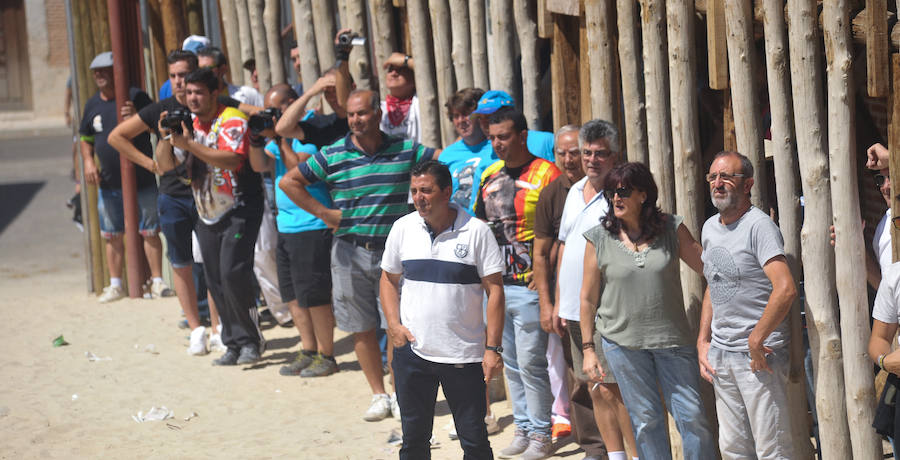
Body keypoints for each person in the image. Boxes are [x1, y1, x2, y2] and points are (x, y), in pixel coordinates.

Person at [279, 89, 438, 421]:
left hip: (395, 257)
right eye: (351, 115)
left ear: (377, 113)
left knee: (398, 327)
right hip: (349, 253)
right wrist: (323, 212)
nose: (355, 120)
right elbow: (289, 182)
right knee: (361, 328)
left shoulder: (405, 150)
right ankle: (378, 395)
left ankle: (399, 393)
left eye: (362, 113)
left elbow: (440, 162)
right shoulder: (332, 154)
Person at [108, 49, 249, 355]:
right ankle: (195, 327)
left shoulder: (213, 104)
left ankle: (218, 327)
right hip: (173, 195)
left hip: (210, 197)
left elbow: (249, 111)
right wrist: (151, 162)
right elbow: (117, 137)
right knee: (181, 264)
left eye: (184, 75)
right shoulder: (163, 109)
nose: (179, 83)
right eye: (172, 76)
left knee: (212, 265)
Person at [581, 161, 714, 459]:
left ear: (643, 194)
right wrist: (589, 348)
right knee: (645, 422)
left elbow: (711, 270)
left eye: (623, 191)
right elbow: (588, 299)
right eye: (610, 193)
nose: (615, 198)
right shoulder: (598, 238)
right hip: (621, 345)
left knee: (693, 419)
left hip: (673, 342)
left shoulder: (672, 228)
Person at [380, 160, 504, 460]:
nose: (418, 198)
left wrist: (493, 348)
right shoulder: (403, 228)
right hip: (413, 353)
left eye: (426, 190)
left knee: (474, 440)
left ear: (447, 191)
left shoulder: (476, 232)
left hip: (463, 355)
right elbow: (387, 278)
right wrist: (394, 326)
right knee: (414, 441)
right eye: (414, 191)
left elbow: (495, 290)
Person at [156, 67, 265, 366]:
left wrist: (190, 144)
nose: (192, 98)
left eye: (198, 92)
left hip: (240, 206)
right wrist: (167, 137)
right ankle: (232, 342)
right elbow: (164, 166)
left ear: (214, 93)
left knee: (233, 273)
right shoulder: (187, 125)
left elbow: (232, 159)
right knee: (215, 279)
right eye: (188, 93)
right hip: (205, 212)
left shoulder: (231, 119)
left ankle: (251, 340)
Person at [697, 151, 797, 459]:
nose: (718, 183)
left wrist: (756, 339)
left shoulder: (759, 226)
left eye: (727, 176)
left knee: (772, 450)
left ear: (748, 184)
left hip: (759, 359)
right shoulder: (710, 227)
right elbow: (715, 284)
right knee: (733, 450)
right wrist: (703, 340)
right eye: (713, 177)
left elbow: (785, 289)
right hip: (722, 354)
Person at [475, 108, 560, 459]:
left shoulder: (547, 174)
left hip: (529, 286)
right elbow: (479, 227)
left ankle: (542, 433)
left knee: (531, 362)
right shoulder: (490, 173)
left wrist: (544, 280)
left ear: (523, 136)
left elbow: (560, 232)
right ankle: (524, 428)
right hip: (496, 286)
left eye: (504, 136)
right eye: (493, 137)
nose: (497, 143)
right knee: (509, 362)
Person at [249, 84, 338, 377]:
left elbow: (299, 172)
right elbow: (258, 164)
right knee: (293, 294)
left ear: (291, 105)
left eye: (276, 110)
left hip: (311, 224)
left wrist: (282, 139)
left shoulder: (308, 134)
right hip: (285, 226)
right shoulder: (281, 138)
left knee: (315, 295)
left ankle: (326, 354)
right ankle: (308, 349)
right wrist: (256, 139)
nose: (271, 116)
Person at [555, 120, 628, 460]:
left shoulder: (619, 196)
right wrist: (557, 302)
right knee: (593, 387)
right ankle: (608, 454)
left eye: (600, 154)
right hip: (571, 310)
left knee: (613, 389)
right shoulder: (574, 190)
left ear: (615, 156)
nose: (592, 160)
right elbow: (564, 248)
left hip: (602, 310)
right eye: (587, 153)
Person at [78, 51, 169, 303]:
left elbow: (157, 126)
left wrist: (136, 118)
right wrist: (87, 161)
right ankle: (116, 284)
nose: (99, 75)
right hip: (109, 181)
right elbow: (84, 137)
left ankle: (158, 282)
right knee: (111, 233)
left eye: (105, 70)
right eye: (95, 72)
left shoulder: (136, 97)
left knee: (150, 230)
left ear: (117, 72)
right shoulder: (92, 104)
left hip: (142, 177)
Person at [533, 125, 583, 441]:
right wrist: (546, 303)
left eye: (574, 151)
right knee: (574, 371)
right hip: (567, 299)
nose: (568, 159)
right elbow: (540, 254)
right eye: (561, 153)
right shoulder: (551, 194)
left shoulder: (607, 188)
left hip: (606, 298)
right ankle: (591, 444)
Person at [439, 87, 497, 215]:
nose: (461, 121)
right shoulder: (447, 156)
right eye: (456, 116)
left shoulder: (497, 147)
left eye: (466, 114)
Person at [470, 90, 555, 163]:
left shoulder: (546, 141)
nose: (484, 124)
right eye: (480, 118)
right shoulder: (483, 158)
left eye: (489, 117)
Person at [380, 52, 420, 142]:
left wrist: (406, 61)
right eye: (390, 70)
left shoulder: (420, 101)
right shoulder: (379, 107)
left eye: (400, 70)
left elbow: (424, 72)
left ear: (414, 78)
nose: (394, 73)